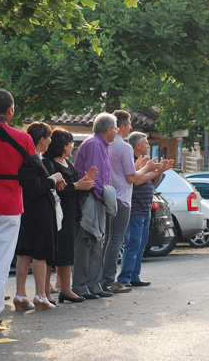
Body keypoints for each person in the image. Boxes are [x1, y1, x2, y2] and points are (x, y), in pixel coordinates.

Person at [101, 111, 158, 294]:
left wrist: (149, 170)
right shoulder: (123, 147)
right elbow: (132, 178)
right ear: (121, 127)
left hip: (106, 196)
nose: (131, 127)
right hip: (121, 199)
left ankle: (105, 279)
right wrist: (149, 168)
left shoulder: (102, 144)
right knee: (116, 241)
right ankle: (110, 280)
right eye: (130, 124)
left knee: (109, 241)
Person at [0, 90, 38, 329]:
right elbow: (34, 168)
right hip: (8, 203)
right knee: (0, 261)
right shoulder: (22, 138)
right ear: (10, 111)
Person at [14, 122, 66, 311]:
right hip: (39, 211)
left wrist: (51, 181)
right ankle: (40, 295)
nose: (50, 141)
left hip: (26, 210)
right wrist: (52, 180)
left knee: (25, 252)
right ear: (42, 140)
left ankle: (20, 294)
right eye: (49, 137)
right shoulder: (33, 160)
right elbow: (35, 189)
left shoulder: (24, 159)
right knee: (40, 254)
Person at [43, 129, 97, 304]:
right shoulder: (48, 164)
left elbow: (75, 184)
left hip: (71, 214)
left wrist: (87, 181)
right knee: (49, 255)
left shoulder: (67, 162)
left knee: (66, 253)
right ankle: (45, 292)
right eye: (70, 143)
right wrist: (77, 185)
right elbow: (55, 188)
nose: (72, 146)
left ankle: (66, 290)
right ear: (61, 145)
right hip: (54, 214)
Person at [117, 132, 173, 287]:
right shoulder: (133, 162)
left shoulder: (146, 163)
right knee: (132, 243)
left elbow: (153, 183)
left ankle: (134, 276)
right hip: (134, 209)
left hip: (145, 209)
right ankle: (124, 278)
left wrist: (160, 171)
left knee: (141, 244)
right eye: (146, 143)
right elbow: (138, 180)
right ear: (138, 145)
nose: (149, 145)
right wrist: (154, 170)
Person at [72, 112, 118, 299]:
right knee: (87, 242)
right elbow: (94, 179)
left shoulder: (100, 144)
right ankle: (82, 286)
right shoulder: (95, 145)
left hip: (96, 197)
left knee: (96, 243)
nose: (116, 132)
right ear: (109, 129)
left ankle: (93, 285)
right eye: (115, 129)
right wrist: (105, 198)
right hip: (90, 199)